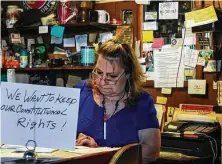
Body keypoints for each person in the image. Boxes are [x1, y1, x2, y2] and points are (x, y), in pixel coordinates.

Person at [75, 39, 160, 163]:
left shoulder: (141, 102)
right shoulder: (82, 91)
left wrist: (98, 153)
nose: (102, 81)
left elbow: (150, 154)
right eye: (98, 72)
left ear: (128, 74)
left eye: (112, 76)